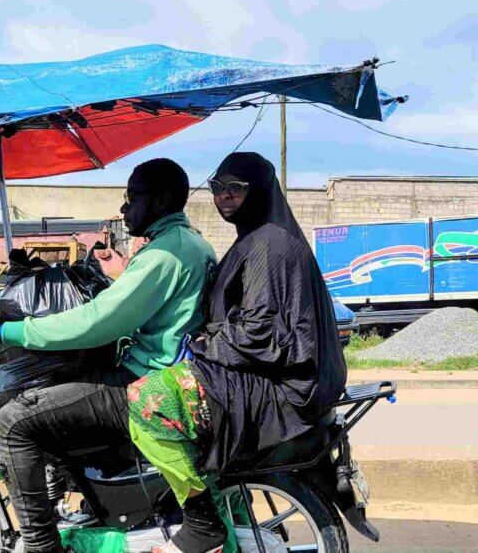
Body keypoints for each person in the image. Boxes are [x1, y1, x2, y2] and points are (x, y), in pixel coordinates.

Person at [0, 158, 217, 553]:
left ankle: (41, 546)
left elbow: (97, 323)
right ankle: (87, 504)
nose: (125, 209)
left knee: (12, 423)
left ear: (163, 200)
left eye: (132, 198)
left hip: (144, 384)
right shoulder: (189, 244)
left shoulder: (164, 254)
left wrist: (1, 331)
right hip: (167, 375)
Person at [128, 152, 348, 552]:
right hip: (271, 372)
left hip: (284, 385)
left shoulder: (269, 244)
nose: (224, 197)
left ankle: (201, 524)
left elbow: (258, 331)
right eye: (217, 188)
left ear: (259, 190)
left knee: (146, 399)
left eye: (236, 188)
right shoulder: (256, 236)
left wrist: (199, 346)